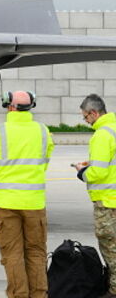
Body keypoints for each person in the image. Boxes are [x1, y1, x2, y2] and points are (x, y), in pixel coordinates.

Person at [0, 91, 54, 298]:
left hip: (6, 203)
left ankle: (18, 295)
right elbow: (45, 160)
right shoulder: (43, 131)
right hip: (34, 203)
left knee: (12, 253)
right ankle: (39, 295)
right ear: (32, 105)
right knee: (36, 252)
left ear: (9, 106)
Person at [75, 94, 116, 298]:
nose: (86, 121)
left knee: (110, 246)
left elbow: (98, 172)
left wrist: (82, 172)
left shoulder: (102, 135)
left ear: (94, 113)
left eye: (85, 117)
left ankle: (114, 290)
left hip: (108, 199)